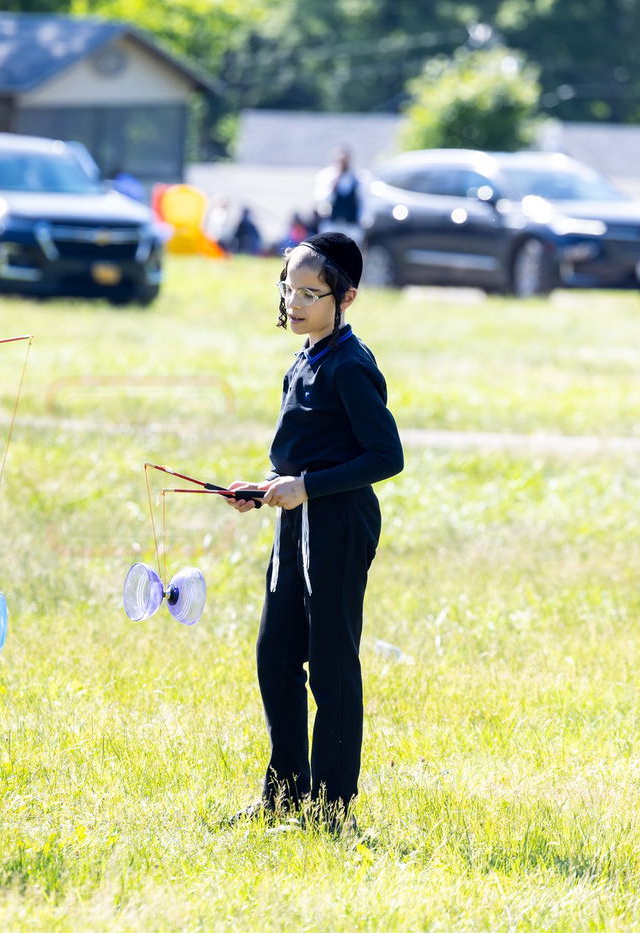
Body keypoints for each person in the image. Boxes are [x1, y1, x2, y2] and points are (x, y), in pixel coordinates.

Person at [225, 232, 403, 837]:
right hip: (297, 520)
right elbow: (307, 454)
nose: (295, 302)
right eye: (288, 289)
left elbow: (386, 456)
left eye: (310, 293)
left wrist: (307, 487)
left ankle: (332, 809)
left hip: (338, 526)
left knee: (330, 665)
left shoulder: (351, 366)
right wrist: (267, 487)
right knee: (276, 656)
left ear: (345, 297)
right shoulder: (306, 356)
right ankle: (284, 795)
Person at [312, 147, 367, 242]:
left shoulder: (358, 177)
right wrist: (334, 183)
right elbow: (322, 200)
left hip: (351, 225)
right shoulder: (326, 176)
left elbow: (363, 201)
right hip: (332, 223)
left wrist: (363, 219)